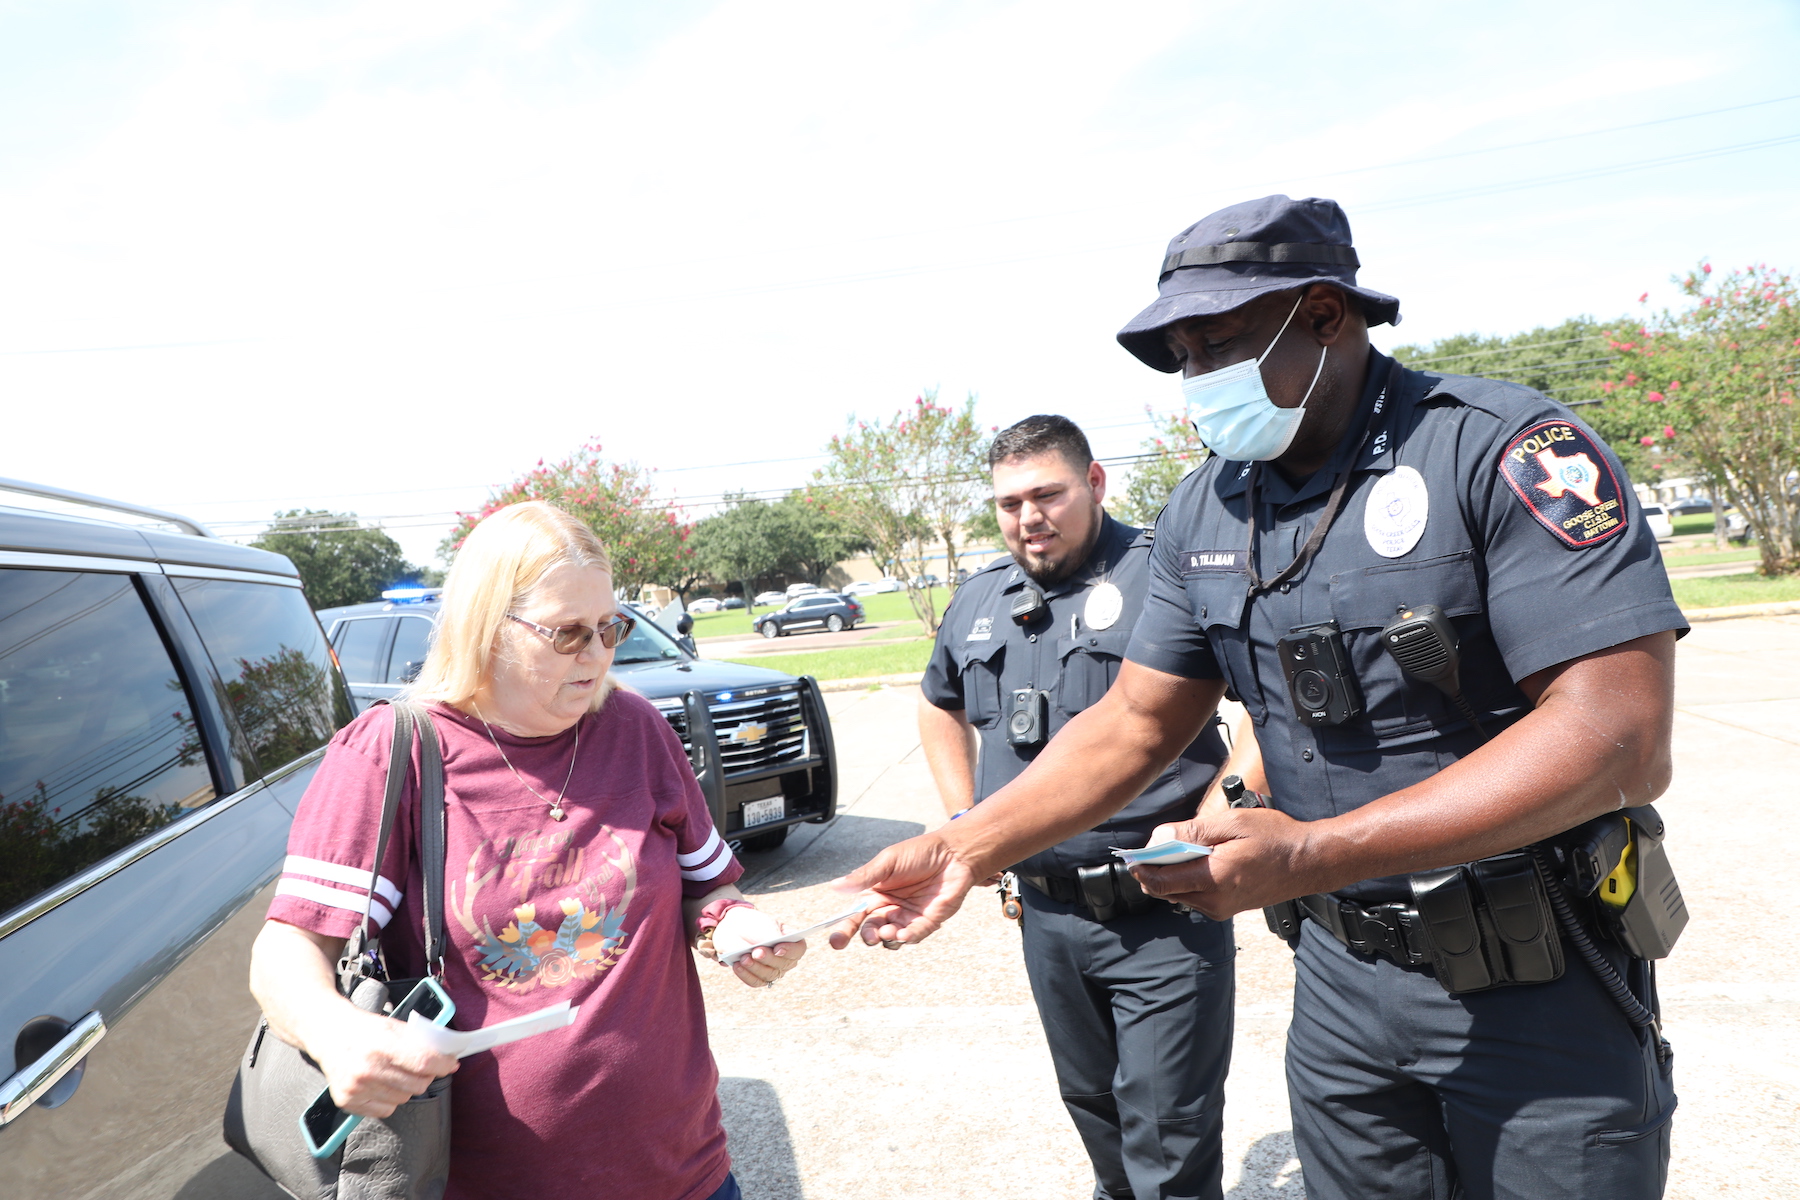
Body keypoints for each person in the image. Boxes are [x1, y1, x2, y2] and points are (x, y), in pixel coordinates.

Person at [834, 195, 1684, 1200]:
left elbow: (1617, 737)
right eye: (1182, 356)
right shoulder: (1208, 503)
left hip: (1540, 986)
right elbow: (1138, 721)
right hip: (1342, 992)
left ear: (1325, 316)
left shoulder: (1501, 452)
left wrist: (1315, 851)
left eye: (1218, 343)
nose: (1197, 381)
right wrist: (969, 845)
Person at [250, 501, 805, 1200]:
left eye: (611, 628)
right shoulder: (395, 754)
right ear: (488, 626)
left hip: (683, 1173)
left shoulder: (635, 729)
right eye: (568, 633)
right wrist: (335, 1033)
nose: (599, 654)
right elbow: (285, 953)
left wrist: (736, 925)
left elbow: (708, 891)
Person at [919, 415, 1234, 1200]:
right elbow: (938, 703)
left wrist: (1220, 808)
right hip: (1049, 918)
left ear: (1094, 484)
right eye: (1008, 502)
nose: (1029, 517)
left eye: (1048, 494)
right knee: (1098, 1121)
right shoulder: (980, 598)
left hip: (1164, 912)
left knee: (1167, 1139)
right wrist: (968, 825)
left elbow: (1262, 701)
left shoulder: (1168, 574)